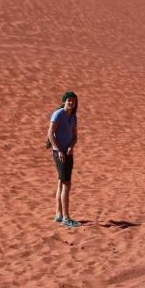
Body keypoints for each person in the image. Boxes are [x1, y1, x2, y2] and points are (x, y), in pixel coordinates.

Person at [47, 91, 79, 227]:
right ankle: (66, 218)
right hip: (59, 153)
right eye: (69, 100)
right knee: (66, 184)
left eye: (73, 100)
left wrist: (71, 146)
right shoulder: (58, 114)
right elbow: (50, 134)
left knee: (61, 182)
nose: (71, 102)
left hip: (68, 152)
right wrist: (59, 150)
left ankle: (59, 215)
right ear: (64, 101)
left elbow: (75, 136)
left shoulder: (73, 116)